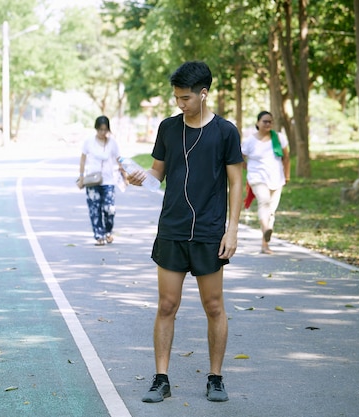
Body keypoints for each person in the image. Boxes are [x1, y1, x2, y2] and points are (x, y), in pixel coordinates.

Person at [126, 61, 243, 403]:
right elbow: (157, 175)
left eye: (186, 98)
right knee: (166, 305)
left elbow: (236, 182)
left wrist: (231, 230)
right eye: (177, 97)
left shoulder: (226, 132)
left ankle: (216, 378)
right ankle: (161, 379)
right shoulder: (167, 128)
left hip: (209, 232)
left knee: (214, 306)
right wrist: (138, 178)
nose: (180, 103)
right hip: (172, 229)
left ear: (204, 94)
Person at [242, 111, 290, 254]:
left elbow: (286, 158)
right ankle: (266, 229)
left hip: (277, 178)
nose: (268, 124)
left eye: (270, 121)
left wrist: (287, 176)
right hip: (257, 179)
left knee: (271, 211)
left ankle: (265, 245)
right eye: (265, 121)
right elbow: (240, 158)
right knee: (264, 202)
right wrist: (249, 168)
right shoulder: (250, 141)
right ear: (258, 123)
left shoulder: (279, 138)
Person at [77, 115, 123, 246]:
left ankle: (108, 231)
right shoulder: (89, 141)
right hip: (92, 180)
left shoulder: (112, 143)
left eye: (105, 129)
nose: (103, 132)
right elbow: (83, 158)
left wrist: (124, 175)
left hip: (108, 181)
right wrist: (81, 177)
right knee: (94, 209)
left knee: (110, 209)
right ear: (96, 129)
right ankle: (99, 236)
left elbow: (119, 158)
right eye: (100, 129)